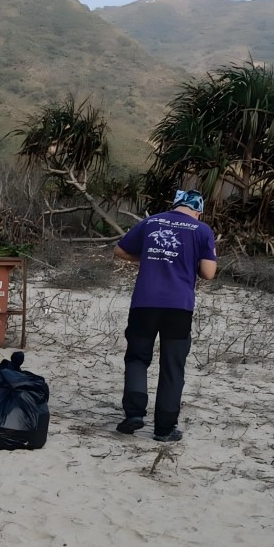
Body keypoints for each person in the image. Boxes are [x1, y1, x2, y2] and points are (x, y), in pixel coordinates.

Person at [113, 189, 217, 442]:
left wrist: (148, 259)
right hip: (178, 307)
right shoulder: (202, 230)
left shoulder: (151, 222)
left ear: (175, 205)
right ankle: (164, 428)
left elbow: (120, 250)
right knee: (173, 366)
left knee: (137, 358)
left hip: (144, 303)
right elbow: (208, 272)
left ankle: (134, 414)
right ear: (198, 211)